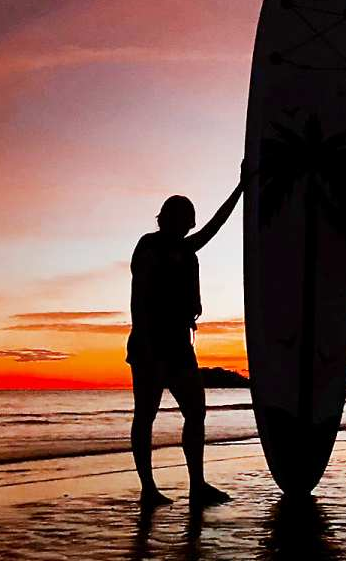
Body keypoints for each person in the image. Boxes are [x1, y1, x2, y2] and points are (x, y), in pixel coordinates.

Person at [126, 164, 249, 508]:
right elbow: (142, 299)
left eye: (188, 218)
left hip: (179, 344)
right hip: (151, 344)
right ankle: (148, 489)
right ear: (165, 218)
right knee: (145, 415)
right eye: (181, 217)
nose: (187, 223)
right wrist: (149, 345)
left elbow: (215, 226)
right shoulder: (150, 247)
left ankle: (197, 484)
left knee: (195, 412)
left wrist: (241, 188)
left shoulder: (185, 248)